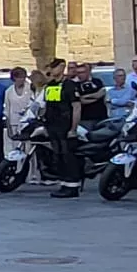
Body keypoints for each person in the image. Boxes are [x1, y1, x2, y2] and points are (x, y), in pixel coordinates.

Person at [45, 62, 85, 198]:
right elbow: (47, 106)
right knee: (58, 156)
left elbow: (76, 107)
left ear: (61, 68)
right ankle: (64, 184)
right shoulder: (50, 86)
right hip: (53, 126)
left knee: (68, 156)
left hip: (65, 126)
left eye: (54, 67)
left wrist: (73, 128)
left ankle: (72, 186)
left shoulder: (69, 85)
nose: (51, 69)